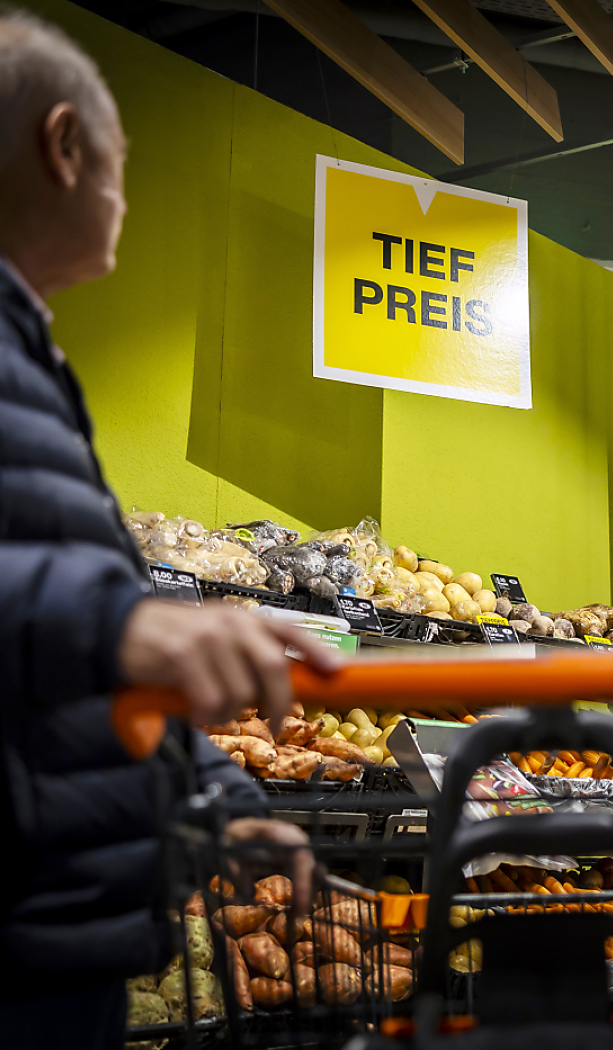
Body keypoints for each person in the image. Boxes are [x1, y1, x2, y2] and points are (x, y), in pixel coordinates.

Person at [0, 11, 335, 1047]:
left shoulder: (30, 360)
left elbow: (82, 653)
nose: (126, 198)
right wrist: (116, 624)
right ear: (64, 145)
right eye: (121, 165)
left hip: (63, 933)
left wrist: (217, 797)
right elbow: (96, 627)